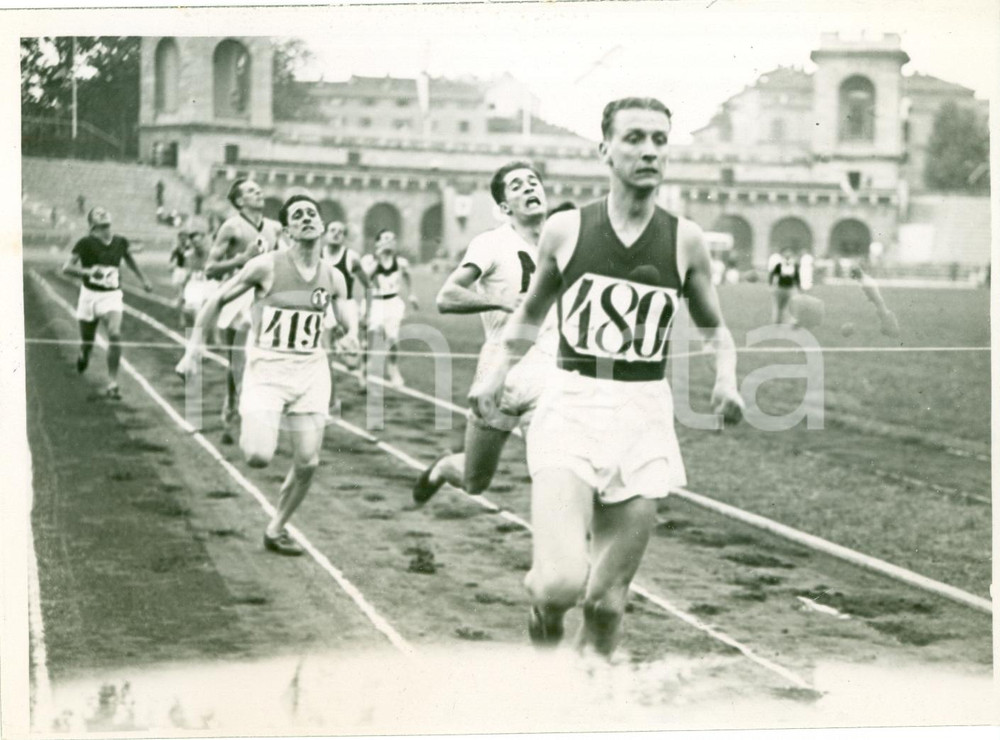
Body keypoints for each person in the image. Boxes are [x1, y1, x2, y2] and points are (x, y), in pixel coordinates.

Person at [468, 98, 744, 656]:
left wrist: (727, 379)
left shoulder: (685, 240)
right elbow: (529, 315)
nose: (648, 150)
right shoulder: (567, 230)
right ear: (605, 150)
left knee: (607, 603)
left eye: (660, 140)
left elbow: (715, 327)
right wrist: (496, 373)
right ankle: (541, 608)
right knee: (561, 583)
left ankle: (583, 705)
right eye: (634, 138)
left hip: (643, 415)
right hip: (571, 405)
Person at [176, 195, 359, 556]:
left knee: (308, 462)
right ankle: (243, 408)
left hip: (311, 370)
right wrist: (193, 348)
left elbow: (346, 316)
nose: (306, 218)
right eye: (297, 216)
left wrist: (348, 334)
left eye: (311, 214)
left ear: (321, 225)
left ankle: (276, 528)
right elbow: (216, 300)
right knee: (259, 456)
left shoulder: (333, 276)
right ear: (287, 230)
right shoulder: (267, 266)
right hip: (267, 369)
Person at [412, 161, 553, 504]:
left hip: (551, 368)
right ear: (504, 207)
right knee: (475, 481)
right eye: (517, 186)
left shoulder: (563, 241)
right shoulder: (492, 243)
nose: (530, 188)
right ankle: (445, 468)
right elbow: (447, 296)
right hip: (499, 367)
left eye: (533, 182)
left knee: (554, 473)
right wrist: (500, 302)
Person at [206, 178, 284, 443]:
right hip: (238, 297)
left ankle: (253, 410)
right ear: (240, 201)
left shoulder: (274, 228)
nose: (259, 191)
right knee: (239, 361)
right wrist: (241, 259)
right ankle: (232, 405)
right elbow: (210, 268)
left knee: (265, 358)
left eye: (258, 188)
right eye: (251, 190)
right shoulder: (231, 227)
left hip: (266, 297)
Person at [62, 207, 154, 398]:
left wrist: (143, 279)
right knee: (88, 342)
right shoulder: (85, 243)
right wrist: (88, 272)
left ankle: (112, 382)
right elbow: (67, 267)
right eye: (99, 214)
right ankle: (84, 354)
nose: (103, 214)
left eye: (105, 214)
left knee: (114, 333)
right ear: (92, 224)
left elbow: (130, 260)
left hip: (112, 295)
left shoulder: (120, 241)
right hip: (89, 296)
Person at [365, 229, 418, 386]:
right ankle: (367, 368)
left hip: (393, 302)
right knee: (373, 334)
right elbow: (366, 277)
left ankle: (393, 370)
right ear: (378, 242)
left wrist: (412, 294)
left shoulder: (401, 262)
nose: (389, 242)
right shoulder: (369, 260)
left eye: (392, 239)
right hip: (375, 302)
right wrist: (379, 257)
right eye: (385, 238)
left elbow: (408, 276)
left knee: (393, 339)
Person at [323, 220, 370, 392]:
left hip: (347, 306)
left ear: (344, 237)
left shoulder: (352, 257)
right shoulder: (317, 255)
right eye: (332, 230)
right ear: (325, 234)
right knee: (325, 350)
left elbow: (369, 286)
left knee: (352, 360)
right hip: (325, 306)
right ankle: (329, 393)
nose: (336, 234)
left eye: (340, 232)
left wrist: (367, 312)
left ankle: (360, 375)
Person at [179, 224, 211, 330]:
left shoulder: (211, 254)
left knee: (205, 316)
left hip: (208, 286)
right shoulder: (189, 256)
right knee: (192, 315)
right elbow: (186, 277)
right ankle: (193, 343)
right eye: (194, 242)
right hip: (194, 287)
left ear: (203, 241)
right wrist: (182, 294)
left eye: (199, 241)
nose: (197, 244)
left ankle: (206, 341)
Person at [768, 248, 800, 325]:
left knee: (791, 305)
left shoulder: (794, 265)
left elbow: (797, 276)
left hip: (790, 288)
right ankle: (777, 321)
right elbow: (773, 275)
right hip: (780, 288)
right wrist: (771, 285)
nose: (788, 254)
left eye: (789, 252)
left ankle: (792, 321)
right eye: (786, 252)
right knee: (778, 306)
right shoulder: (779, 265)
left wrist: (798, 286)